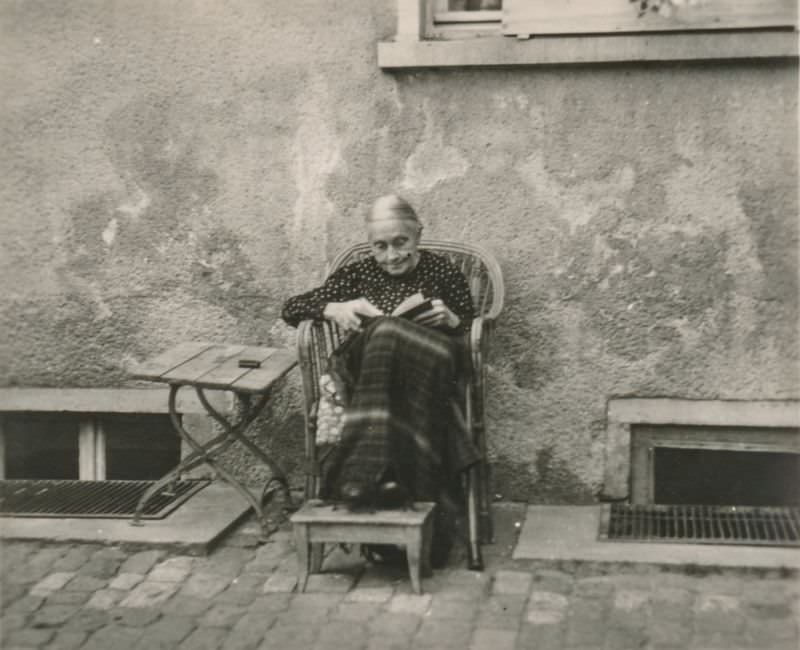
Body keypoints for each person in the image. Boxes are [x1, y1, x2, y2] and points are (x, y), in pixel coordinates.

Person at [281, 194, 480, 565]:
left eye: (401, 243)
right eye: (380, 246)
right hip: (375, 371)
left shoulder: (443, 272)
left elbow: (471, 329)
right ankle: (395, 484)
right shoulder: (359, 272)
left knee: (387, 329)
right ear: (371, 246)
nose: (391, 256)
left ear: (418, 235)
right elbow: (290, 308)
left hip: (432, 364)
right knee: (385, 333)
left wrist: (452, 320)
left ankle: (357, 476)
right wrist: (334, 307)